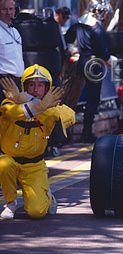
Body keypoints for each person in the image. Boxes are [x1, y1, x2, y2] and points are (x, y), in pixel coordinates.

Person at [0, 65, 75, 220]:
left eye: (40, 85)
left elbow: (68, 116)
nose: (35, 89)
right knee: (3, 164)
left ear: (46, 89)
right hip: (10, 160)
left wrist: (27, 100)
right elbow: (15, 113)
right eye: (31, 85)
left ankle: (47, 197)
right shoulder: (9, 103)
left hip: (34, 165)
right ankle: (10, 203)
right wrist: (36, 104)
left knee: (36, 212)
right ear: (24, 86)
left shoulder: (53, 109)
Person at [65, 0, 112, 144]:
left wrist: (73, 50)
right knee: (93, 99)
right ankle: (86, 133)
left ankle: (65, 132)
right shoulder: (97, 28)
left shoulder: (79, 23)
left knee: (72, 97)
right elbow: (103, 53)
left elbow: (67, 38)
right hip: (94, 65)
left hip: (81, 63)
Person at [0, 0, 24, 103]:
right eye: (4, 9)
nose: (8, 12)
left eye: (11, 9)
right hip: (4, 83)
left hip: (19, 82)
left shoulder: (15, 31)